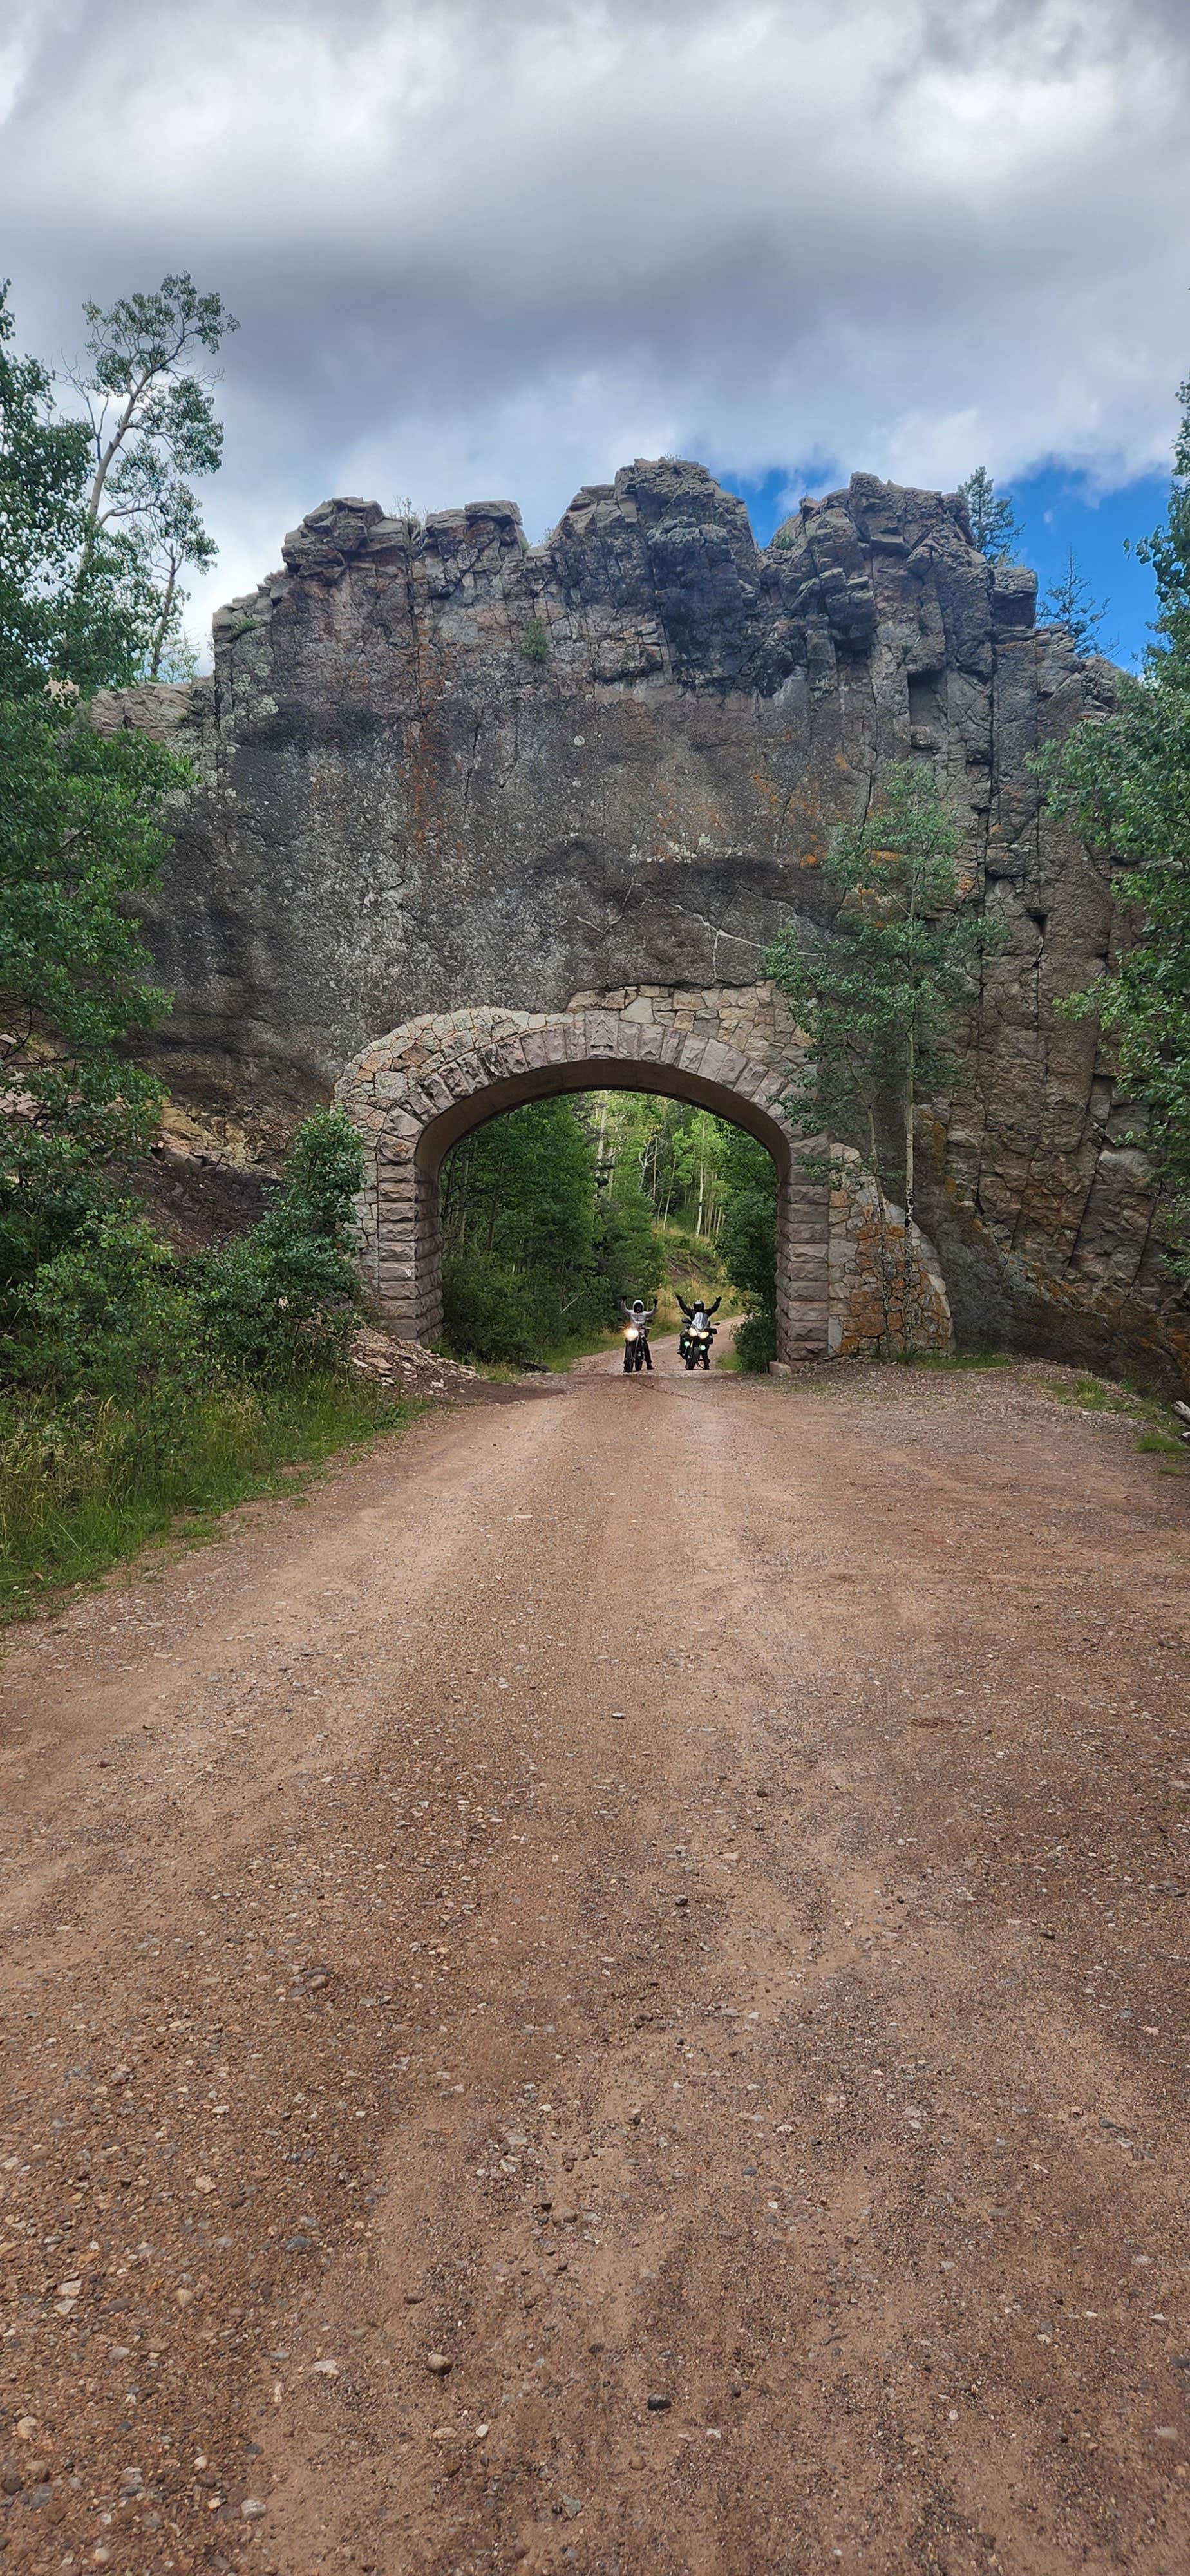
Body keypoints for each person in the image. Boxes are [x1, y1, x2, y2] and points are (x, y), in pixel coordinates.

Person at [621, 1297, 655, 1370]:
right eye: (637, 1307)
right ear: (634, 1307)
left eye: (639, 1307)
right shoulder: (631, 1313)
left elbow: (652, 1312)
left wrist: (655, 1305)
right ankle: (626, 1364)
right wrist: (623, 1301)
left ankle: (649, 1363)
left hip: (641, 1331)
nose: (638, 1308)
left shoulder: (645, 1314)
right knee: (627, 1342)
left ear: (642, 1307)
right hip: (633, 1330)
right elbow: (624, 1309)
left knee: (645, 1343)